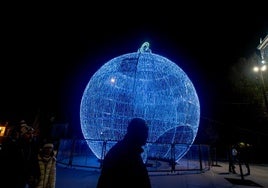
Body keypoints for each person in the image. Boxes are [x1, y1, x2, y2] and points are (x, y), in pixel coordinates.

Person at [96, 117, 152, 188]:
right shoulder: (125, 154)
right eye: (145, 132)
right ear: (136, 132)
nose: (147, 136)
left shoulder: (129, 150)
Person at [1, 120, 40, 188]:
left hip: (23, 179)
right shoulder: (14, 146)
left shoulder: (31, 147)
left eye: (31, 134)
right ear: (22, 134)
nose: (31, 136)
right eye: (28, 134)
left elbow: (33, 161)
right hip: (11, 178)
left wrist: (35, 174)